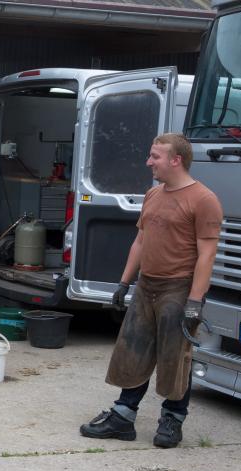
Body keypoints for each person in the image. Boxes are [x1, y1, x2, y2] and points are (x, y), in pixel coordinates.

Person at [80, 133, 222, 448]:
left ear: (176, 160)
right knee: (132, 351)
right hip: (147, 286)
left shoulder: (203, 199)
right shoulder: (153, 195)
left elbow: (207, 255)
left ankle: (172, 420)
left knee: (175, 358)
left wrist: (195, 301)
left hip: (180, 288)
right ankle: (122, 417)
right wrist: (124, 281)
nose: (148, 162)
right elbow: (141, 241)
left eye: (155, 156)